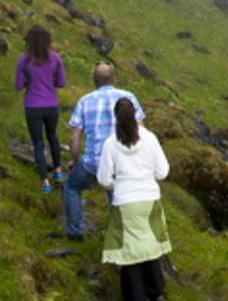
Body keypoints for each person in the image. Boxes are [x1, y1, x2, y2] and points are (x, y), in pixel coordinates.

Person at [96, 98, 171, 301]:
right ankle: (157, 291)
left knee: (129, 252)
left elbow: (103, 179)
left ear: (116, 117)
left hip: (125, 201)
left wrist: (117, 184)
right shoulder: (150, 138)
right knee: (150, 245)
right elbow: (163, 172)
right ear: (136, 114)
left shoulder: (111, 143)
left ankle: (136, 295)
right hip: (149, 198)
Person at [61, 62, 142, 241]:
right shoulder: (128, 98)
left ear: (94, 81)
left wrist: (75, 160)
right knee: (117, 198)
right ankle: (121, 236)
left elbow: (74, 139)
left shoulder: (85, 101)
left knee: (71, 187)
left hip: (93, 163)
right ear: (114, 77)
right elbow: (141, 132)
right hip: (121, 163)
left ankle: (75, 232)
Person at [15, 25, 68, 193]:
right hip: (51, 105)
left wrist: (30, 82)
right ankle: (58, 171)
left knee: (38, 143)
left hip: (32, 106)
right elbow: (61, 83)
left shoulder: (23, 60)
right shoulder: (56, 59)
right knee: (52, 136)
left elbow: (18, 85)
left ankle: (45, 181)